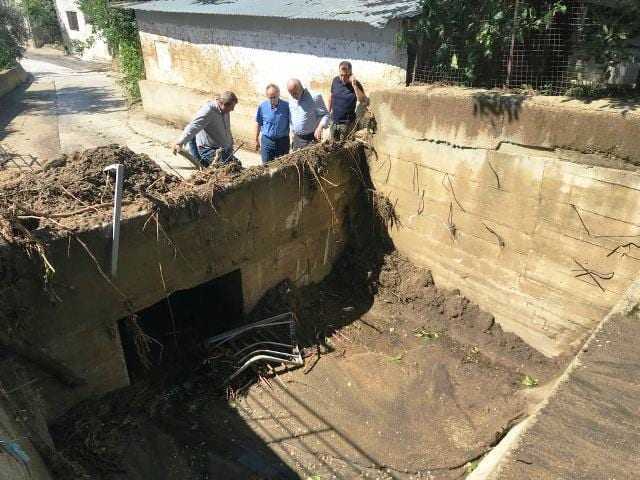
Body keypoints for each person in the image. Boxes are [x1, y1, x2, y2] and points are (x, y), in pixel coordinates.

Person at [172, 91, 238, 167]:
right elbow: (194, 126)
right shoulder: (208, 111)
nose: (232, 109)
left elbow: (226, 129)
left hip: (221, 149)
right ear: (224, 104)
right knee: (227, 168)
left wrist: (229, 145)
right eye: (232, 107)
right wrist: (180, 142)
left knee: (236, 165)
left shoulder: (225, 111)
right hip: (208, 149)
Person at [328, 61, 367, 141]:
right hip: (333, 122)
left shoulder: (356, 84)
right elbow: (331, 96)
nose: (343, 78)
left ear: (351, 73)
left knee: (344, 149)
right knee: (332, 147)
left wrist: (354, 85)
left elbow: (362, 101)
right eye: (341, 75)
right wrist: (328, 112)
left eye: (346, 75)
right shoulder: (335, 80)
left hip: (347, 124)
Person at [287, 78, 329, 150]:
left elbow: (325, 115)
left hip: (311, 139)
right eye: (291, 93)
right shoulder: (291, 99)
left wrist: (319, 128)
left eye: (295, 93)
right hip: (297, 139)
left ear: (301, 88)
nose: (293, 96)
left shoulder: (315, 97)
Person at [255, 84, 290, 164]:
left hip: (282, 142)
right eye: (270, 98)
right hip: (267, 142)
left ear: (278, 94)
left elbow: (292, 123)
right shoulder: (262, 106)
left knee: (282, 167)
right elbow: (258, 123)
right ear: (267, 96)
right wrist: (256, 139)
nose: (273, 100)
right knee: (266, 166)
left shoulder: (287, 106)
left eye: (274, 97)